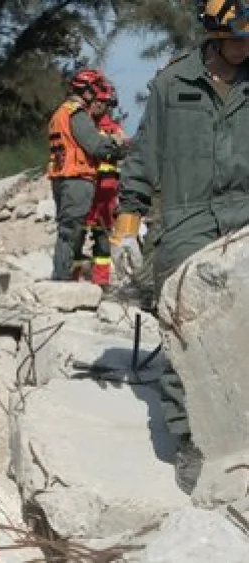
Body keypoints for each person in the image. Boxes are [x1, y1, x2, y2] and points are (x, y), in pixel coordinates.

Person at [112, 0, 249, 494]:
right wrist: (126, 227)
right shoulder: (171, 86)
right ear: (214, 34)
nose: (247, 46)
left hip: (246, 220)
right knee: (184, 333)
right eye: (240, 38)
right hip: (188, 225)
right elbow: (143, 158)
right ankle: (191, 440)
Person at [47, 69, 127, 281]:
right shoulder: (77, 114)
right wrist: (116, 145)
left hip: (61, 177)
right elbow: (95, 146)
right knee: (71, 232)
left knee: (68, 230)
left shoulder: (60, 113)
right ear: (89, 90)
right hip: (76, 178)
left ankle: (64, 274)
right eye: (97, 88)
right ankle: (62, 277)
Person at [82, 85, 128, 287]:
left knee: (102, 236)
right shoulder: (83, 126)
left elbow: (124, 146)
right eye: (97, 101)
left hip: (106, 191)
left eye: (103, 102)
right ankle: (72, 277)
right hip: (87, 187)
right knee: (78, 234)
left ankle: (100, 279)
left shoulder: (114, 129)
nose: (99, 106)